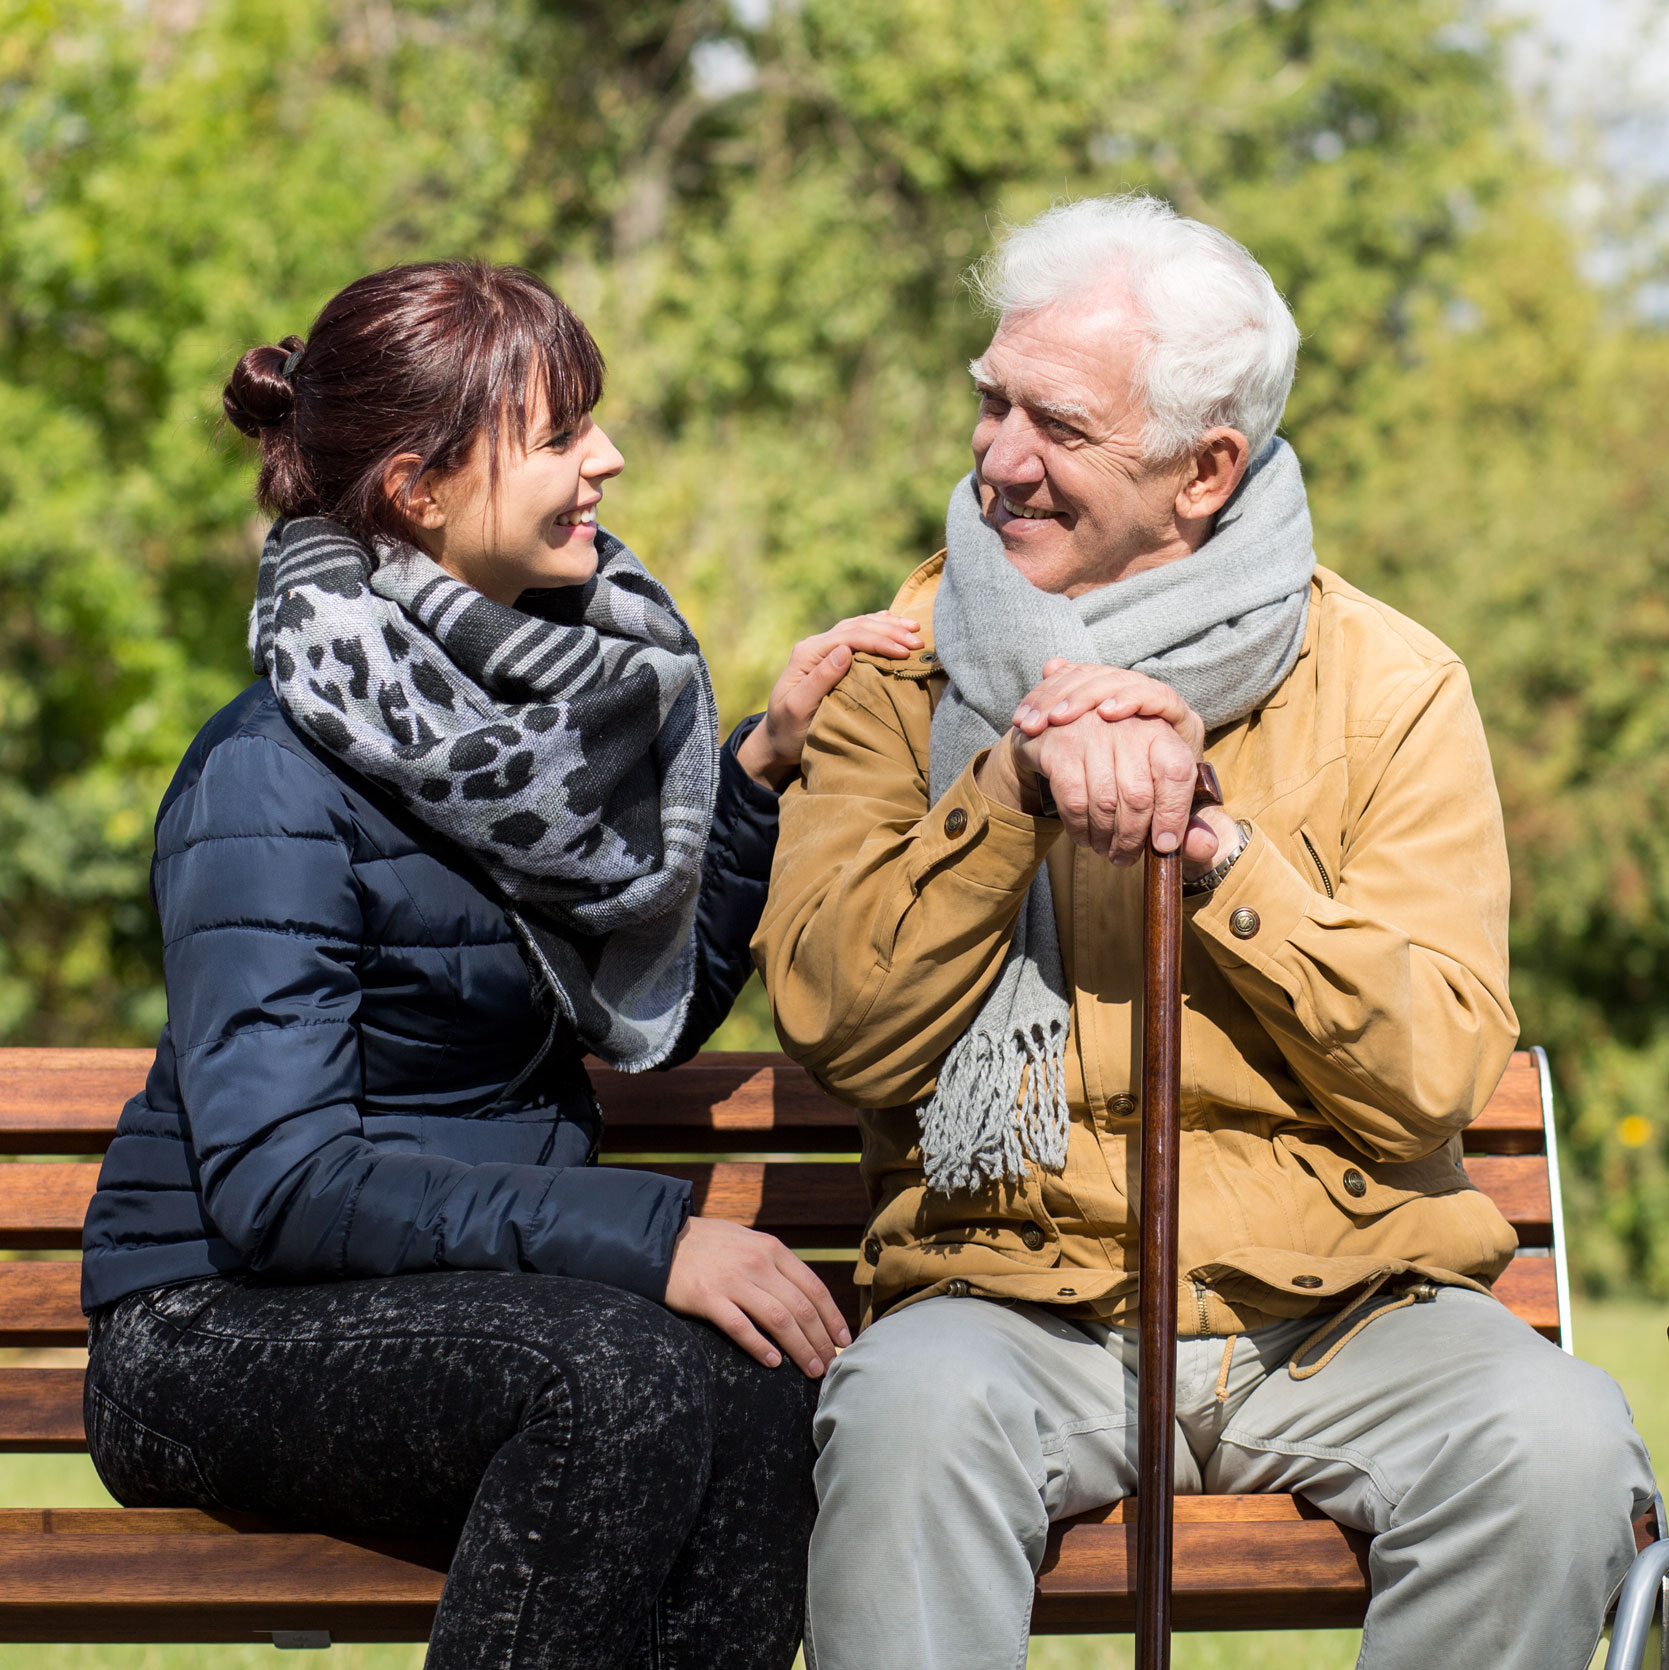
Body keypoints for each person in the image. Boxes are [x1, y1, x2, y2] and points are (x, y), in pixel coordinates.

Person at [754, 194, 1658, 1669]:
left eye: (1053, 424)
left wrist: (1220, 855)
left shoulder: (1389, 683)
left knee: (1554, 1442)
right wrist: (1007, 789)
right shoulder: (893, 675)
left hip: (1344, 1314)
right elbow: (835, 1020)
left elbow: (1432, 1068)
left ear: (1202, 469)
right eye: (988, 401)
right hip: (1009, 1298)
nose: (995, 458)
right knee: (907, 1419)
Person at [79, 259, 922, 1670]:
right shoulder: (265, 774)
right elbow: (281, 1185)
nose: (607, 459)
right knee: (610, 1381)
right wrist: (655, 1238)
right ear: (415, 490)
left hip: (464, 1298)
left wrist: (761, 764)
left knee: (768, 1397)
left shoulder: (530, 730)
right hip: (212, 1327)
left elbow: (639, 1009)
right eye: (555, 434)